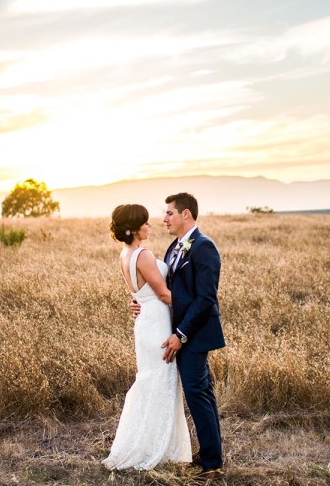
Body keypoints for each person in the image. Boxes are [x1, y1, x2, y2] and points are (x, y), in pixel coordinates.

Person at [132, 192, 225, 475]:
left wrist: (181, 334)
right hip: (181, 331)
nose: (163, 219)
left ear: (186, 214)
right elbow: (171, 292)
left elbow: (206, 299)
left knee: (198, 393)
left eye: (169, 213)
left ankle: (212, 463)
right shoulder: (175, 247)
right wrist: (142, 301)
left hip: (195, 334)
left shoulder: (204, 247)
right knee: (201, 393)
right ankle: (211, 454)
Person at [102, 203, 191, 471]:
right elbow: (164, 294)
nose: (150, 225)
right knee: (160, 381)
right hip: (157, 323)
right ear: (134, 228)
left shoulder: (124, 254)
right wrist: (197, 304)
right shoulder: (143, 254)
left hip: (144, 322)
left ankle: (150, 442)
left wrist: (136, 301)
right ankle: (154, 447)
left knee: (151, 380)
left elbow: (137, 292)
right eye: (145, 222)